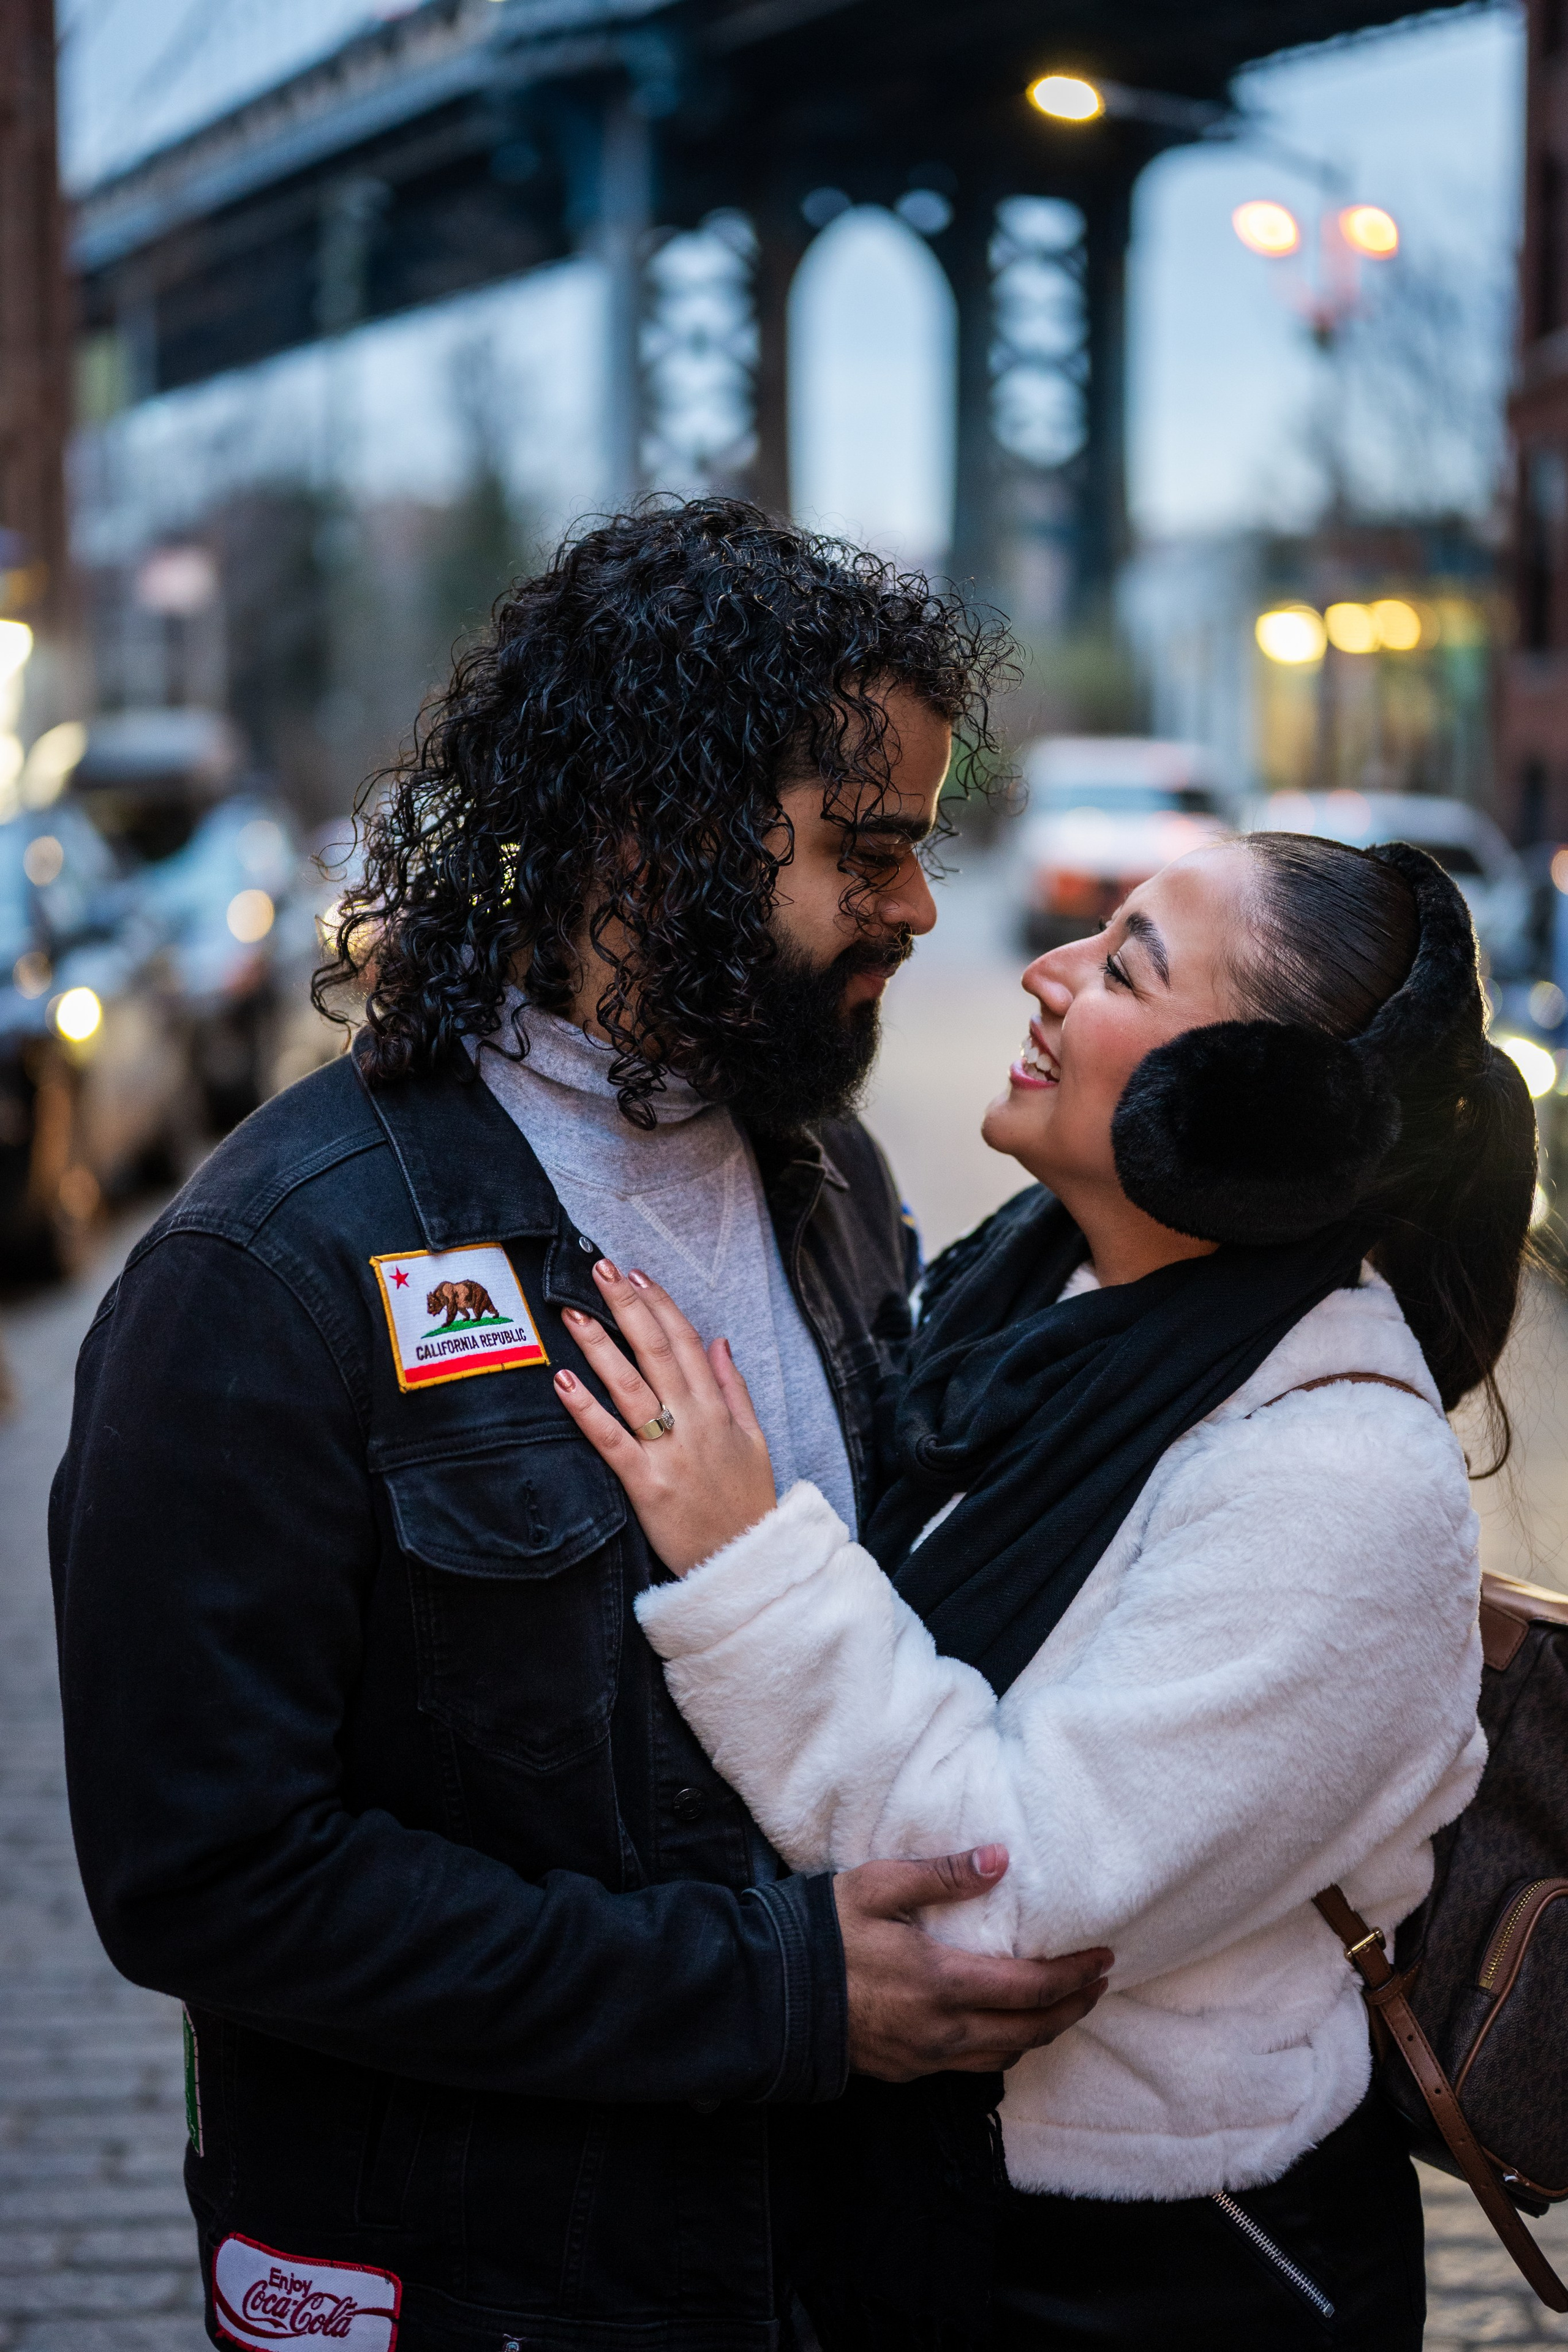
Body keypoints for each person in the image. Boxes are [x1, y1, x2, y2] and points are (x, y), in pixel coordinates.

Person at [48, 499, 1109, 2352]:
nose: (924, 910)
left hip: (828, 2261)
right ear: (654, 826)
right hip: (490, 2289)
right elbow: (209, 1878)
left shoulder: (828, 1175)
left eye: (926, 852)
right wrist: (770, 1993)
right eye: (867, 849)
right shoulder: (272, 1270)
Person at [555, 830, 1538, 2350]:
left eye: (1125, 964)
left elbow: (1005, 1917)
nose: (1044, 969)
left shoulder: (1335, 1472)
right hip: (929, 2206)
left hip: (1163, 2271)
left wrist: (745, 1559)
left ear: (1255, 1113)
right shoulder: (1023, 1300)